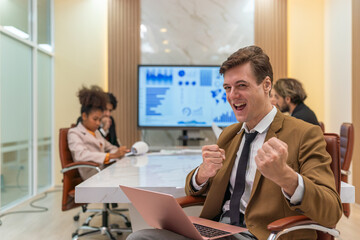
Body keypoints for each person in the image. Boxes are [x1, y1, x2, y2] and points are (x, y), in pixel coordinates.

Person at [127, 46, 342, 240]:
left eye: (241, 85)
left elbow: (331, 211)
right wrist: (203, 173)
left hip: (261, 234)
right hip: (216, 230)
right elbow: (194, 189)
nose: (232, 96)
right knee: (139, 238)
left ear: (266, 85)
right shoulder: (230, 134)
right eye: (227, 88)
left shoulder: (304, 133)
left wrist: (286, 177)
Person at [68, 86, 129, 180]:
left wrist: (118, 152)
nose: (98, 123)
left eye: (100, 120)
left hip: (103, 172)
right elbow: (81, 155)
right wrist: (111, 156)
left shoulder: (96, 132)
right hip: (92, 175)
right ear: (84, 116)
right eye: (95, 119)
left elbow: (111, 147)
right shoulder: (74, 133)